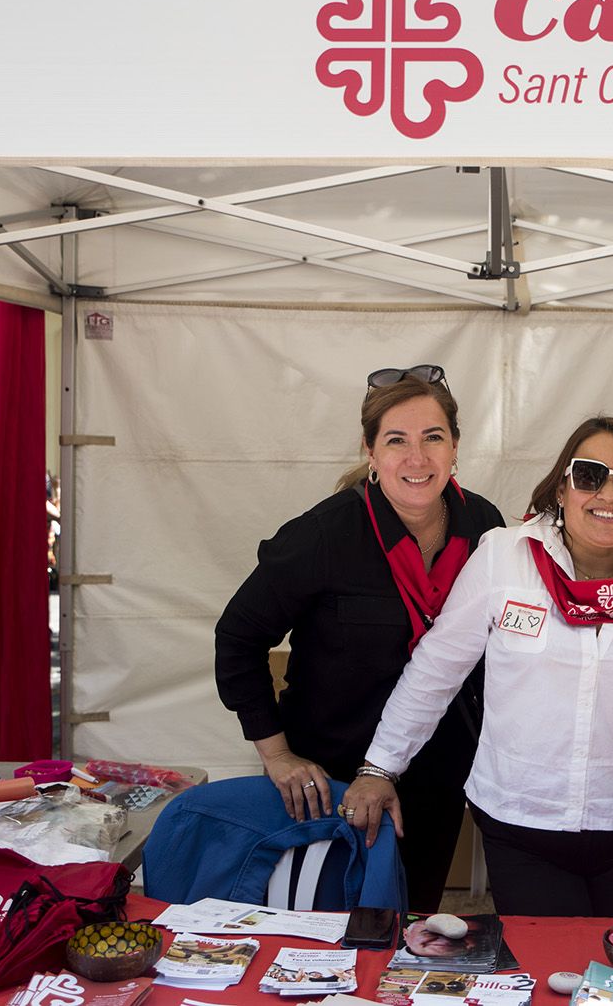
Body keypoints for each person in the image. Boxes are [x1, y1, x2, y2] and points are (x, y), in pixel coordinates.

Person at [343, 416, 613, 918]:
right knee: (550, 979)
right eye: (588, 475)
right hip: (522, 824)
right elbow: (436, 670)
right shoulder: (505, 556)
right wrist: (379, 766)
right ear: (562, 486)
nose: (609, 493)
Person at [213, 365, 505, 912]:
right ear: (371, 452)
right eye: (397, 440)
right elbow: (237, 638)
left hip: (437, 782)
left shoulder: (485, 527)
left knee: (409, 933)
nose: (416, 458)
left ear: (456, 447)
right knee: (326, 942)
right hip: (330, 785)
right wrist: (276, 756)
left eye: (432, 438)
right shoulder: (323, 536)